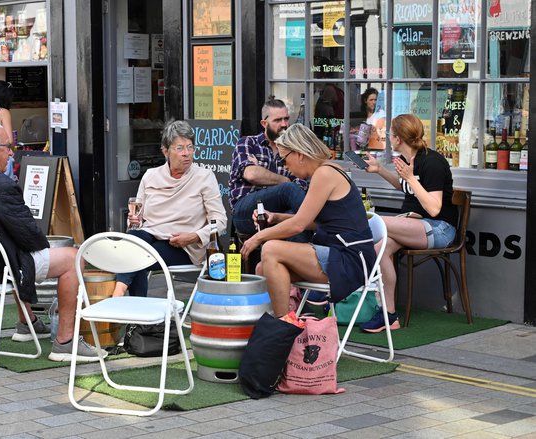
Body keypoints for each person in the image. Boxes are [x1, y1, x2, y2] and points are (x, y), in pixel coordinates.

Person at [0, 122, 105, 362]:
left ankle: (28, 324)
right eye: (7, 147)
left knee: (10, 249)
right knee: (73, 258)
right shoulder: (1, 185)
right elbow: (33, 239)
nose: (12, 152)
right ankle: (65, 342)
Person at [240, 124, 376, 317]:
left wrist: (258, 237)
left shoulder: (325, 173)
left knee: (270, 248)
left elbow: (299, 225)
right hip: (341, 253)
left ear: (300, 154)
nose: (284, 167)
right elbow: (314, 221)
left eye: (285, 159)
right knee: (262, 267)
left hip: (350, 259)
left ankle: (282, 326)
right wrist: (277, 217)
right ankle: (285, 323)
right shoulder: (326, 170)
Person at [361, 114, 458, 333]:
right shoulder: (408, 160)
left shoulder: (432, 162)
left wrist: (411, 178)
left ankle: (331, 278)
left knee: (374, 222)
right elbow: (406, 188)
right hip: (415, 224)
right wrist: (380, 171)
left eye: (390, 133)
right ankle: (389, 314)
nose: (388, 136)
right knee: (379, 249)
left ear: (397, 138)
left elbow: (434, 208)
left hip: (439, 227)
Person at [112, 120, 227, 297]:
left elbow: (220, 221)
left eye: (190, 147)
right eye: (180, 148)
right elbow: (138, 218)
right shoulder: (151, 176)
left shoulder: (204, 177)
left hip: (183, 244)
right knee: (133, 239)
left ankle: (120, 297)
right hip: (151, 233)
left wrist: (194, 236)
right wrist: (133, 220)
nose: (187, 154)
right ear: (165, 151)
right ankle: (123, 297)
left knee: (136, 255)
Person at [228, 96, 309, 240]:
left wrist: (262, 172)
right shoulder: (247, 143)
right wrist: (285, 181)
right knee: (289, 190)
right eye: (278, 120)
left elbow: (302, 184)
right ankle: (322, 223)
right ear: (264, 123)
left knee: (296, 223)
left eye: (286, 119)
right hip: (246, 211)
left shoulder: (293, 150)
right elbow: (252, 175)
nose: (284, 124)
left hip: (278, 212)